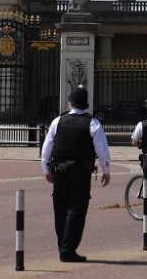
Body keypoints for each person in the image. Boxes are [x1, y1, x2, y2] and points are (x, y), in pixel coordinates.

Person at [41, 86, 111, 263]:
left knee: (60, 209)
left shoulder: (58, 121)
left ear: (70, 102)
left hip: (60, 171)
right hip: (80, 171)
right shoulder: (92, 123)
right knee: (76, 210)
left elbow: (47, 148)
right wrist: (106, 170)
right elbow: (102, 150)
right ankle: (68, 249)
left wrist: (46, 169)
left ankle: (62, 245)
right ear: (85, 104)